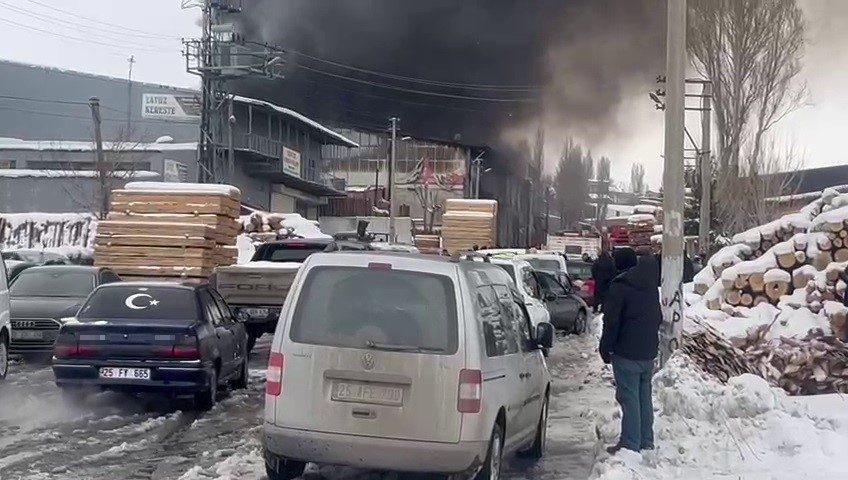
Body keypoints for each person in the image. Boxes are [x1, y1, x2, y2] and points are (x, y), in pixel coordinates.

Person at [600, 251, 662, 454]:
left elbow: (612, 322)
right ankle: (646, 440)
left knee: (629, 398)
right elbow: (658, 316)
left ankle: (630, 443)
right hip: (648, 350)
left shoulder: (620, 287)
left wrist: (605, 347)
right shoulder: (649, 285)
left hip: (626, 351)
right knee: (644, 397)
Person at [591, 248, 617, 314]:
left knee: (597, 296)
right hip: (608, 282)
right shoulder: (611, 262)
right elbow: (614, 271)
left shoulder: (597, 261)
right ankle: (602, 309)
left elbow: (593, 270)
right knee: (605, 297)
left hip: (599, 281)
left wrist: (596, 277)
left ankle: (595, 308)